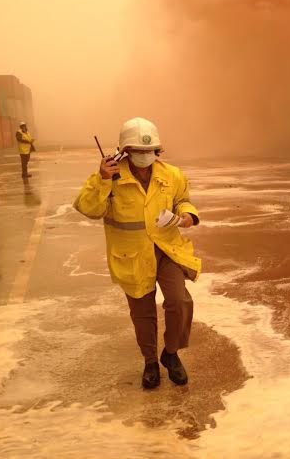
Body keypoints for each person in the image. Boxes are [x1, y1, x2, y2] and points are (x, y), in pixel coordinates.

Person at [73, 117, 202, 388]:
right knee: (143, 314)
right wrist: (102, 180)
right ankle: (150, 362)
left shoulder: (172, 175)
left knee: (180, 302)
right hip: (131, 255)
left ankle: (171, 354)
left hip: (167, 250)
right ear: (124, 151)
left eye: (150, 151)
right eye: (138, 151)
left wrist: (187, 215)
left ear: (158, 150)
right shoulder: (110, 177)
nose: (145, 157)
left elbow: (184, 200)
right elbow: (89, 209)